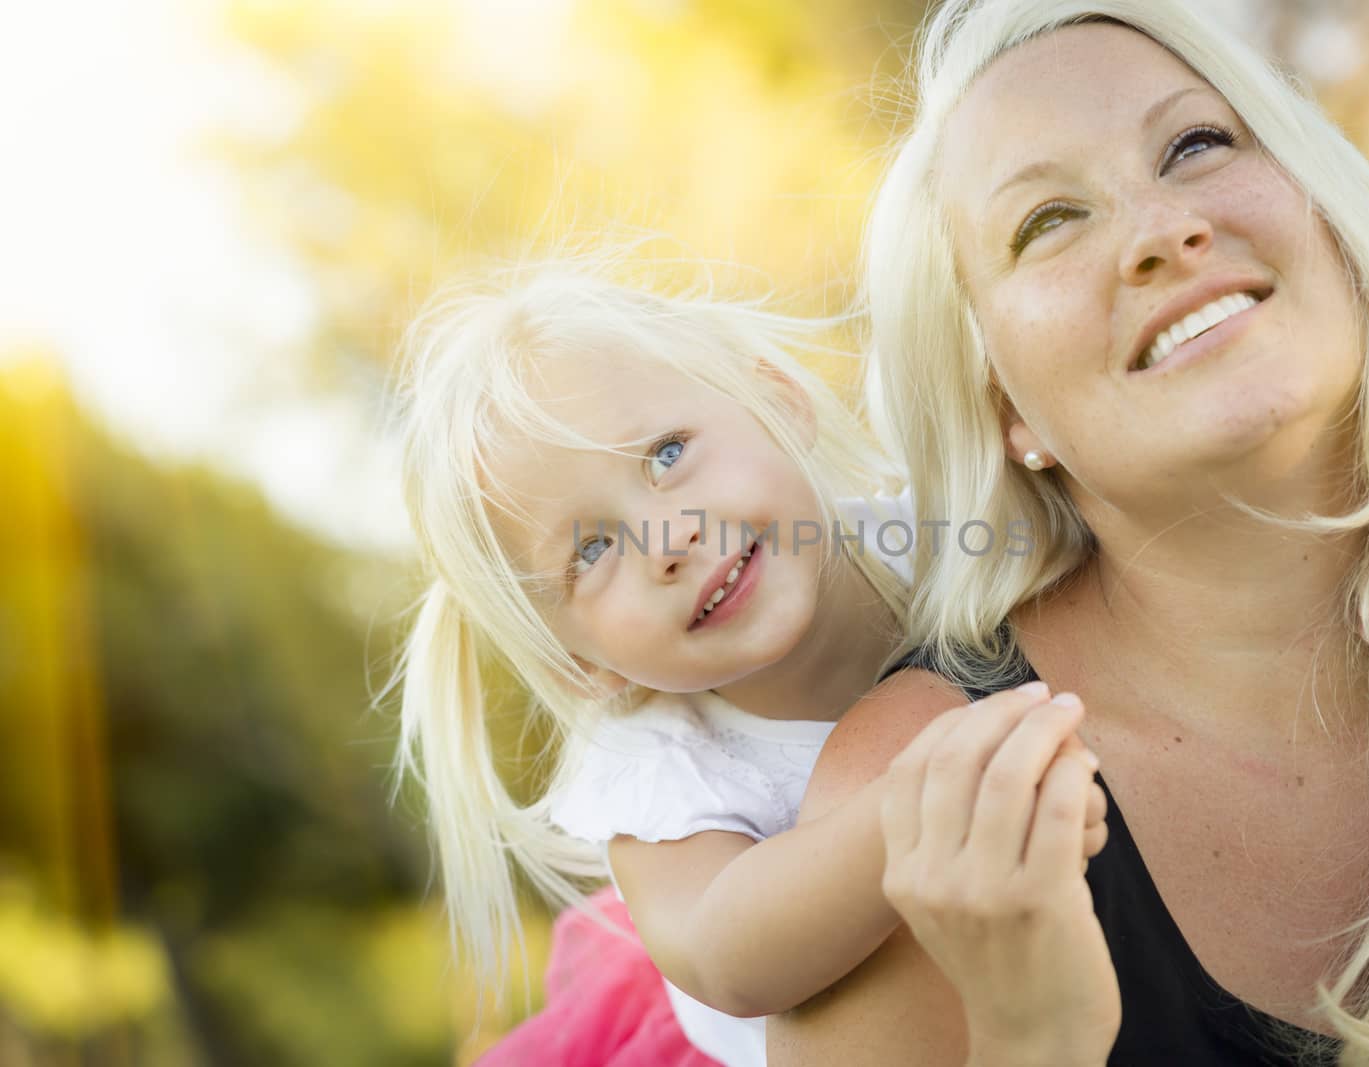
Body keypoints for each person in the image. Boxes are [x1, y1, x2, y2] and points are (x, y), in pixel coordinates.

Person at [767, 2, 1369, 1065]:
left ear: (1325, 210)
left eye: (1194, 145)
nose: (1163, 231)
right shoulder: (919, 782)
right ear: (1005, 408)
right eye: (1048, 221)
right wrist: (1038, 1036)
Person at [384, 252, 1111, 1065]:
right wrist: (926, 806)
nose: (669, 539)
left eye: (666, 454)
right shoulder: (655, 762)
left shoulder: (934, 532)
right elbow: (725, 955)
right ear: (583, 665)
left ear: (778, 399)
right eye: (592, 549)